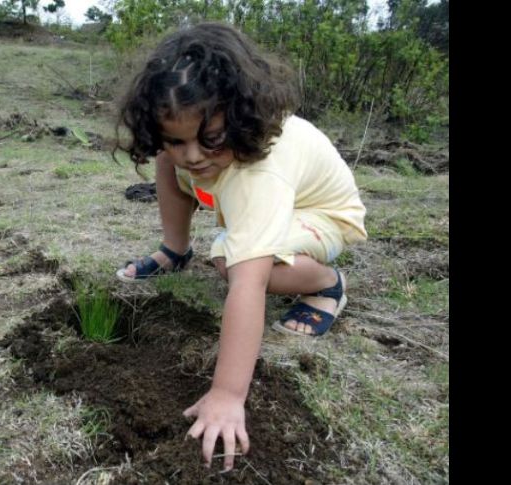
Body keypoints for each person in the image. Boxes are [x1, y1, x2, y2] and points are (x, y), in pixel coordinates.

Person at [112, 22, 367, 471]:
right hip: (273, 202)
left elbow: (248, 285)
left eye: (209, 139)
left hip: (321, 216)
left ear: (241, 118)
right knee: (170, 167)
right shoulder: (194, 149)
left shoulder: (260, 172)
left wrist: (228, 395)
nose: (193, 155)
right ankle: (175, 250)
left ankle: (326, 284)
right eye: (175, 139)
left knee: (233, 263)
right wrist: (180, 151)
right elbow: (184, 152)